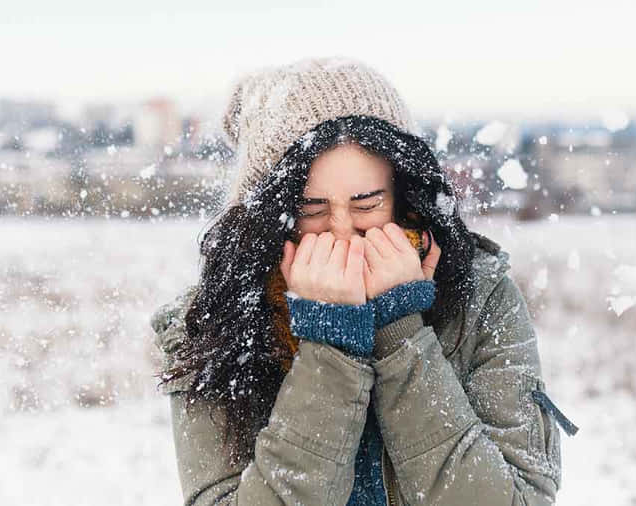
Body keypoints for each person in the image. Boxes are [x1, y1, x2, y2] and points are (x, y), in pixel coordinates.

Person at [149, 56, 575, 506]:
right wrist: (330, 345)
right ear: (271, 219)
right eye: (312, 209)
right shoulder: (213, 327)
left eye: (366, 204)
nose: (342, 231)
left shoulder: (481, 300)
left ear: (404, 196)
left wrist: (400, 331)